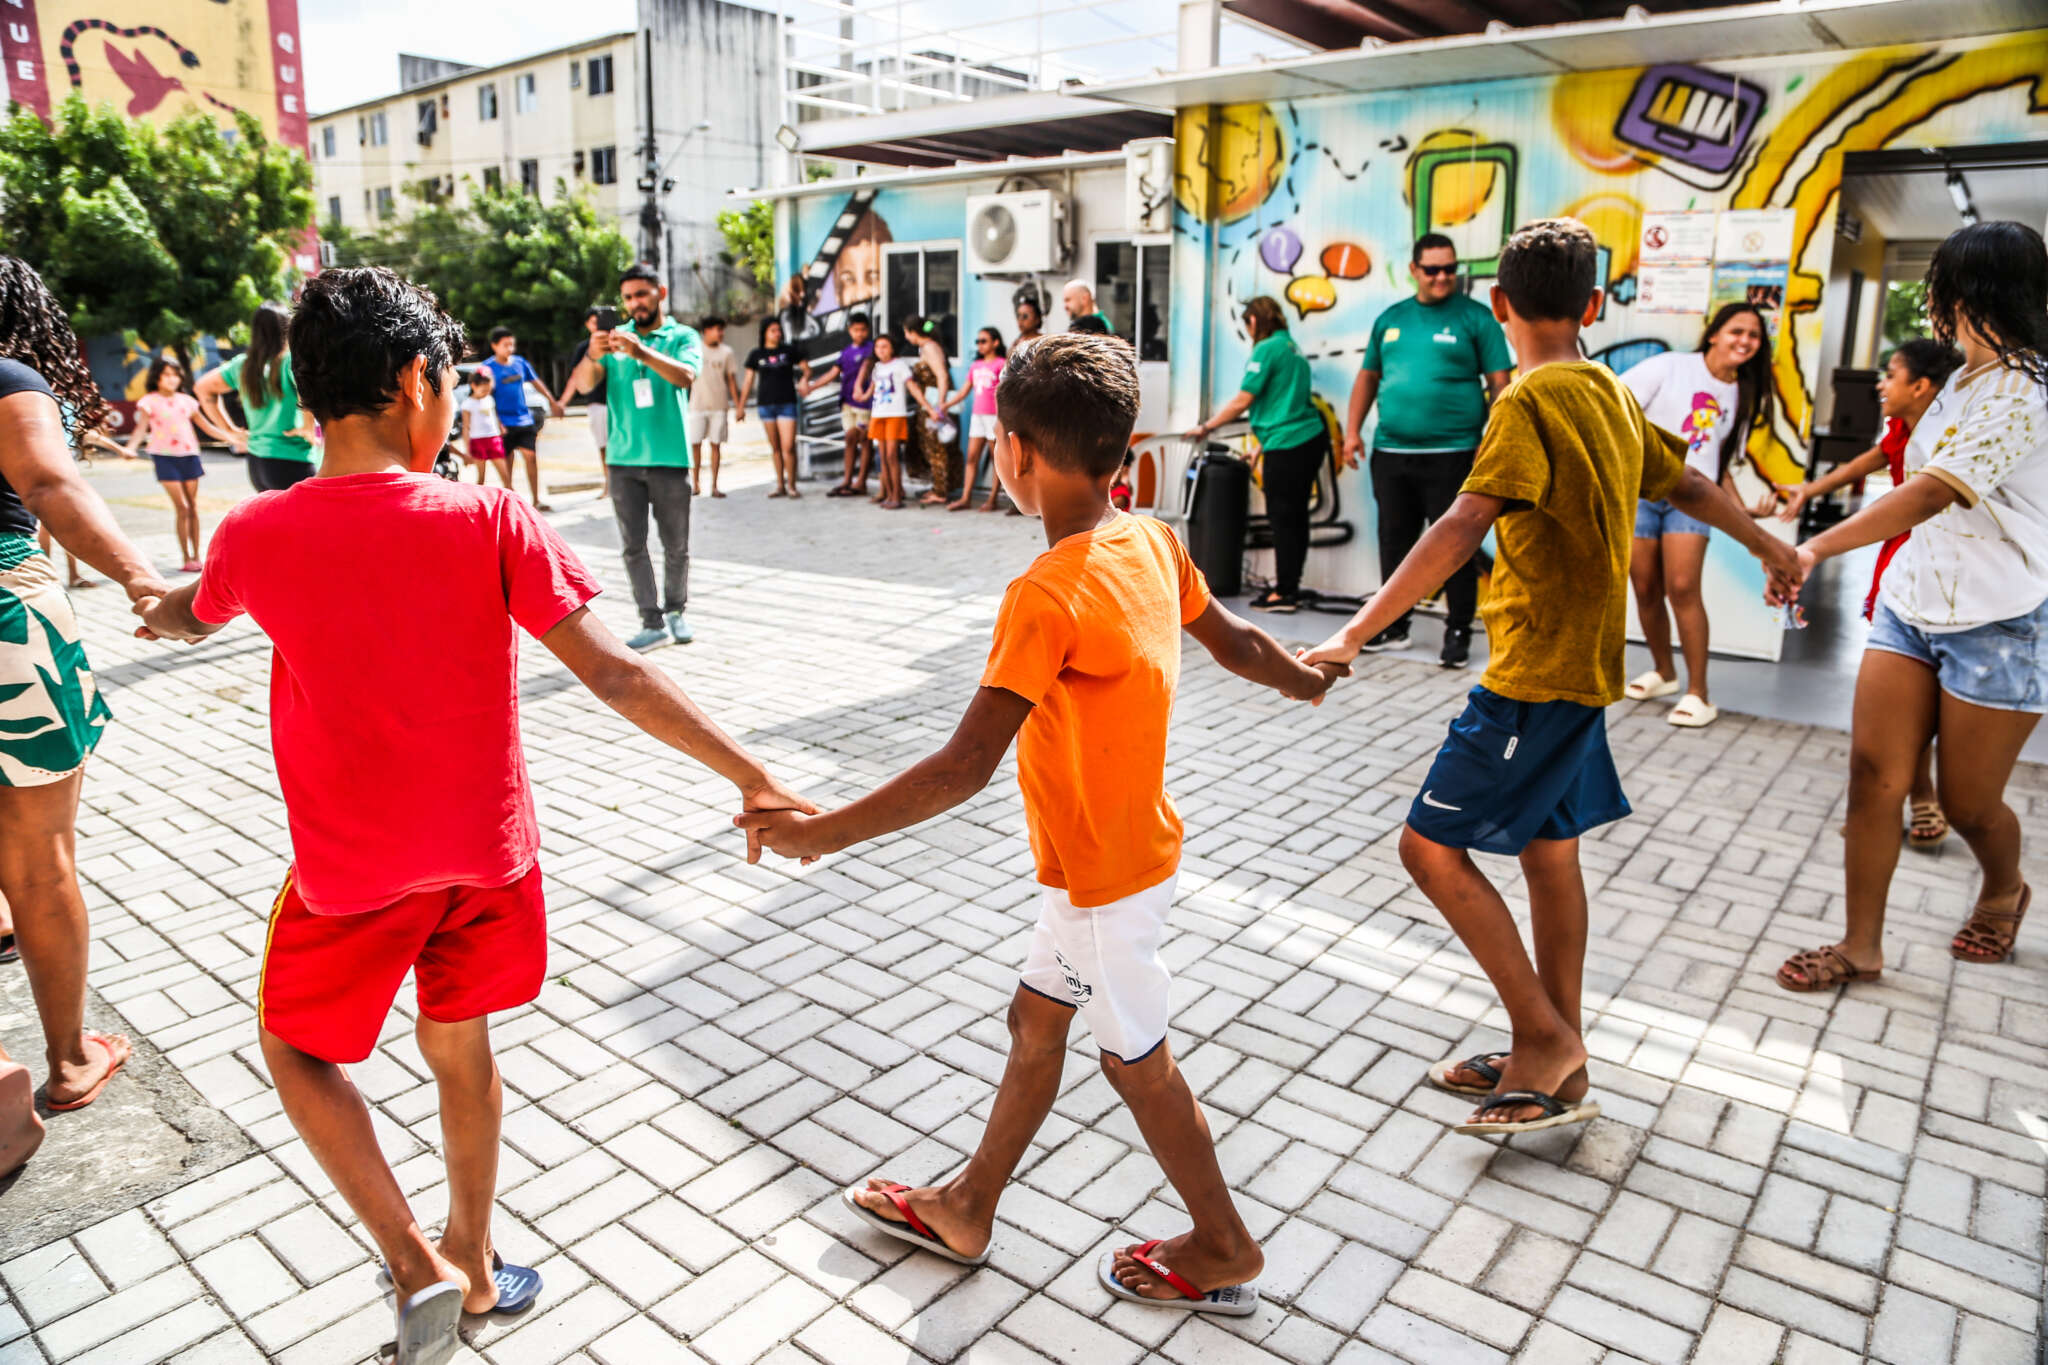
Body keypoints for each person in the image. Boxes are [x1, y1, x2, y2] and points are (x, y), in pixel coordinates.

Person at [132, 266, 812, 1364]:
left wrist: (161, 613)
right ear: (414, 382)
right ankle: (478, 1262)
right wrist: (751, 775)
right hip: (487, 865)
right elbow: (616, 676)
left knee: (295, 1048)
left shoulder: (257, 533)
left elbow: (193, 613)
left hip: (350, 876)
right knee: (463, 1050)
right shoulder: (490, 516)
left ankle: (415, 1264)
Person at [738, 332, 1340, 1313]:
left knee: (1135, 1061)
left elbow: (961, 768)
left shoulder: (1046, 591)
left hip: (1109, 882)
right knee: (1035, 1020)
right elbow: (1232, 642)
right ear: (1122, 446)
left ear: (1013, 451)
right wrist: (1304, 679)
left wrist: (814, 836)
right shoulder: (1148, 539)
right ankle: (969, 1204)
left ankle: (1223, 1245)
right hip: (1097, 865)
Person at [1302, 220, 1798, 1134]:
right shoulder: (1606, 388)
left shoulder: (1528, 402)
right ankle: (1557, 1044)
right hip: (1586, 669)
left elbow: (1460, 523)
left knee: (1427, 847)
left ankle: (1544, 1039)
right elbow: (1687, 486)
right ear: (1595, 307)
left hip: (1534, 672)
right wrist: (1771, 543)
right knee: (1548, 852)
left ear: (1498, 305)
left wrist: (1356, 636)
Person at [1768, 221, 2048, 990]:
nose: (1933, 302)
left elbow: (1927, 493)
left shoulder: (2026, 391)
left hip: (1999, 620)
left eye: (1939, 286)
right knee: (1872, 773)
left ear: (1969, 291)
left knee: (1967, 801)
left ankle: (2003, 886)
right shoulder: (1961, 377)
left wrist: (1815, 546)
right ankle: (1861, 946)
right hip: (1912, 605)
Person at [0, 255, 170, 1177]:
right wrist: (142, 578)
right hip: (5, 617)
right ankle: (67, 1060)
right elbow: (48, 484)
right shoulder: (9, 377)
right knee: (40, 856)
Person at [1776, 338, 1963, 849]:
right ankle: (1913, 794)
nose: (1880, 384)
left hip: (1949, 572)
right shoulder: (1902, 430)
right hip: (1901, 563)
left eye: (1890, 375)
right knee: (1908, 693)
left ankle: (1923, 793)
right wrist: (1808, 491)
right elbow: (1866, 463)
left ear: (1921, 387)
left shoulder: (1963, 432)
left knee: (1935, 700)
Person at [1343, 234, 1515, 666]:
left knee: (1454, 545)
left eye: (1449, 269)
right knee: (1394, 540)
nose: (1443, 277)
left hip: (1454, 452)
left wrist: (1493, 442)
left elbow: (1501, 385)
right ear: (1414, 270)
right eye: (1433, 269)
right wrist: (1352, 432)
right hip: (1392, 451)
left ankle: (1457, 630)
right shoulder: (1391, 319)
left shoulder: (1477, 319)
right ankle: (1394, 626)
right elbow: (1368, 377)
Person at [1620, 303, 1782, 727]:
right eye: (1736, 331)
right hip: (1641, 491)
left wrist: (1739, 513)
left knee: (1682, 586)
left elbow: (1717, 461)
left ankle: (1699, 694)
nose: (1744, 341)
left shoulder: (1743, 394)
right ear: (1714, 334)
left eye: (1753, 336)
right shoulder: (1671, 366)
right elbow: (1616, 407)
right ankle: (1664, 672)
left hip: (1692, 499)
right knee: (1645, 586)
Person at [573, 263, 702, 651]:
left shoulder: (681, 335)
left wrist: (641, 352)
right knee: (633, 545)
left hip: (671, 458)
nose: (635, 303)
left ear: (660, 293)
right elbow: (582, 384)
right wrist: (593, 356)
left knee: (676, 545)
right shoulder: (614, 341)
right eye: (628, 297)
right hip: (623, 460)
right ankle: (651, 621)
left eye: (642, 294)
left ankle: (677, 610)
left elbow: (686, 377)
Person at [1185, 297, 1330, 615]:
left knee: (1284, 519)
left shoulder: (1266, 350)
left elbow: (1243, 400)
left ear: (1254, 321)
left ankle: (1285, 593)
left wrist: (1205, 427)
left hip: (1289, 442)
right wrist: (1262, 446)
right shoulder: (1290, 347)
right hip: (1306, 438)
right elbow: (1287, 402)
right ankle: (1289, 586)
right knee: (1295, 518)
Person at [127, 356, 234, 573]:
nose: (172, 379)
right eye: (166, 374)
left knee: (193, 507)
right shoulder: (150, 401)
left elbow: (208, 427)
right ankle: (186, 557)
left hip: (189, 455)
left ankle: (197, 556)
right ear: (157, 377)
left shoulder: (187, 401)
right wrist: (130, 447)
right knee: (182, 507)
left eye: (175, 374)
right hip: (164, 457)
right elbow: (141, 429)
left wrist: (234, 438)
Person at [198, 303, 316, 493]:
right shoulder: (290, 361)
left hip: (257, 464)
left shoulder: (243, 365)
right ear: (287, 328)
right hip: (291, 459)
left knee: (273, 522)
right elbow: (308, 388)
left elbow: (202, 388)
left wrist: (230, 431)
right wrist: (308, 427)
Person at [480, 327, 566, 512]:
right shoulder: (487, 369)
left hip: (523, 419)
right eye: (505, 345)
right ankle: (508, 502)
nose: (510, 348)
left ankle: (536, 499)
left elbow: (537, 383)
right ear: (495, 346)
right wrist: (496, 423)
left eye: (511, 344)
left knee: (531, 457)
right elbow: (486, 397)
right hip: (503, 423)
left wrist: (553, 402)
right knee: (507, 462)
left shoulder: (520, 363)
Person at [857, 334, 931, 510]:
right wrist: (862, 396)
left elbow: (912, 387)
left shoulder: (900, 366)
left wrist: (927, 407)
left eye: (885, 347)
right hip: (878, 414)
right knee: (882, 456)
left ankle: (897, 494)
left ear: (892, 348)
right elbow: (872, 391)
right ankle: (889, 493)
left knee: (892, 455)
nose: (881, 350)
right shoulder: (877, 367)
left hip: (895, 414)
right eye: (878, 347)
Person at [807, 313, 874, 498]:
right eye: (855, 330)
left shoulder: (872, 349)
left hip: (864, 403)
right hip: (847, 402)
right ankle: (847, 479)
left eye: (863, 330)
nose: (859, 334)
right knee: (850, 438)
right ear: (849, 330)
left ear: (867, 330)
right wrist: (812, 387)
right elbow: (832, 373)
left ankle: (861, 481)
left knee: (864, 440)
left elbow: (868, 368)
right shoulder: (846, 352)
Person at [741, 318, 807, 499]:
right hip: (766, 405)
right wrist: (741, 406)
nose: (777, 334)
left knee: (788, 447)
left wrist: (804, 379)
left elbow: (806, 369)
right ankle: (780, 485)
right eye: (772, 330)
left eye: (778, 330)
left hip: (787, 403)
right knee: (776, 448)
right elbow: (748, 381)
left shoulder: (788, 351)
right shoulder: (756, 354)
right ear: (764, 333)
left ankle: (792, 485)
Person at [946, 327, 1007, 512]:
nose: (980, 345)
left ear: (995, 343)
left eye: (984, 341)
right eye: (978, 341)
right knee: (972, 456)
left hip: (994, 417)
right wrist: (945, 405)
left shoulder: (1001, 364)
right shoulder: (976, 366)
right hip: (977, 417)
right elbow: (964, 390)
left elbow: (1005, 391)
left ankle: (992, 499)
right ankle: (965, 497)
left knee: (995, 458)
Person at [901, 316, 954, 506]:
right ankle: (937, 486)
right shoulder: (926, 347)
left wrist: (939, 406)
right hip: (928, 405)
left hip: (933, 405)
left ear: (912, 332)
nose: (906, 337)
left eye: (906, 332)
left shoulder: (930, 347)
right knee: (930, 446)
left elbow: (941, 375)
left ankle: (940, 491)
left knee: (936, 447)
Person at [561, 309, 611, 497]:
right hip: (598, 403)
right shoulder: (584, 348)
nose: (597, 324)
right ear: (587, 325)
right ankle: (609, 485)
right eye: (593, 321)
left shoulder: (622, 343)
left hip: (623, 405)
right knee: (604, 447)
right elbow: (576, 378)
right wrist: (562, 402)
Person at [689, 317, 741, 499]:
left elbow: (732, 381)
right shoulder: (694, 350)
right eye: (717, 329)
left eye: (722, 329)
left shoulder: (727, 352)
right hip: (696, 405)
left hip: (719, 405)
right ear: (706, 331)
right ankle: (695, 483)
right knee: (695, 445)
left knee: (716, 445)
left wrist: (739, 406)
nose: (721, 333)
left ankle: (715, 485)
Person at [460, 369, 510, 488]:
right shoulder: (467, 404)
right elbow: (466, 428)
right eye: (483, 390)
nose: (486, 393)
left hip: (493, 439)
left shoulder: (489, 399)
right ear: (473, 386)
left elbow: (494, 415)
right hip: (477, 441)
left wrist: (500, 427)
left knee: (505, 476)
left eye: (488, 390)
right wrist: (467, 451)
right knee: (481, 479)